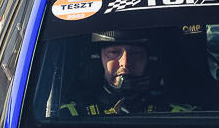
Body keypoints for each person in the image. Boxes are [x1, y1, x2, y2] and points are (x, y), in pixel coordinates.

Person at [59, 29, 193, 115]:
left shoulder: (177, 115)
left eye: (136, 53)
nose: (125, 62)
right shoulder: (71, 115)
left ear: (150, 61)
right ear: (98, 60)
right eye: (113, 52)